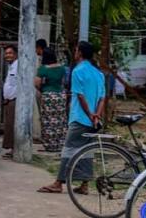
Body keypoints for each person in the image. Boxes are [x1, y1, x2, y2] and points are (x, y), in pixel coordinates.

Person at [38, 41, 106, 194]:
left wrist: (89, 114)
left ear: (80, 53)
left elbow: (80, 96)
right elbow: (102, 97)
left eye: (76, 51)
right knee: (86, 151)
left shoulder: (77, 71)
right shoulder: (98, 73)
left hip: (80, 117)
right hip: (93, 120)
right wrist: (96, 116)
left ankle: (58, 182)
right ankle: (84, 184)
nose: (74, 53)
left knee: (68, 149)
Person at [35, 48, 67, 152]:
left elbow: (37, 83)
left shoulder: (43, 69)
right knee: (60, 120)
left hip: (48, 95)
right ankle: (60, 144)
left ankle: (49, 145)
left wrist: (43, 88)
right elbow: (63, 82)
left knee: (48, 121)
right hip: (60, 96)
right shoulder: (62, 68)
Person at [1, 45, 18, 159]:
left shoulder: (18, 66)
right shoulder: (11, 66)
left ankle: (14, 150)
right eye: (6, 53)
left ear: (16, 54)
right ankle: (12, 149)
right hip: (9, 100)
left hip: (15, 100)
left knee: (12, 125)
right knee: (9, 125)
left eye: (10, 53)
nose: (8, 55)